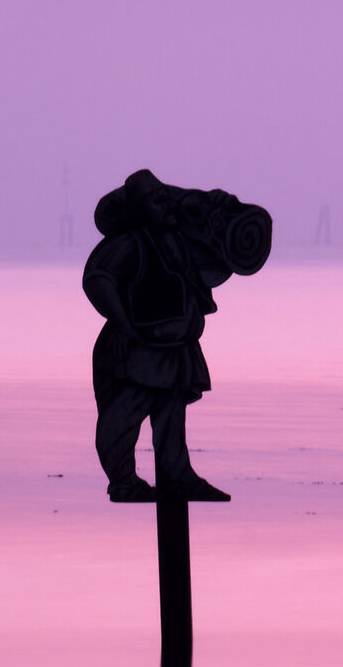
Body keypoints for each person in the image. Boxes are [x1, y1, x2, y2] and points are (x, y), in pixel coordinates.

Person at [83, 169, 271, 503]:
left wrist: (225, 225)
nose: (165, 206)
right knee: (124, 415)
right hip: (138, 347)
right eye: (156, 201)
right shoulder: (131, 243)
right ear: (141, 209)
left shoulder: (177, 241)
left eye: (165, 198)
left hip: (174, 347)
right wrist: (123, 322)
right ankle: (123, 480)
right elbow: (98, 278)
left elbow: (212, 270)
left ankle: (177, 476)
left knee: (171, 415)